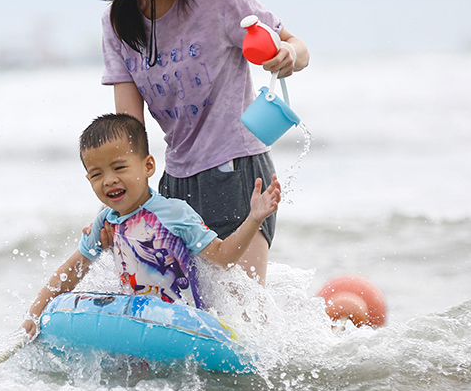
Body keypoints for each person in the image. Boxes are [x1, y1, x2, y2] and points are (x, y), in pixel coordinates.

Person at [92, 0, 309, 285]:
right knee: (180, 305)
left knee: (243, 308)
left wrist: (288, 55)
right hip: (173, 184)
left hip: (237, 169)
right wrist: (119, 205)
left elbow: (297, 46)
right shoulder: (117, 23)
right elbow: (128, 129)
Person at [22, 114, 280, 338]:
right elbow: (72, 269)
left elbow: (223, 257)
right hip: (138, 325)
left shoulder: (174, 213)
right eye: (97, 174)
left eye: (119, 167)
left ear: (148, 166)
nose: (109, 180)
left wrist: (254, 218)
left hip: (184, 327)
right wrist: (35, 313)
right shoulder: (105, 222)